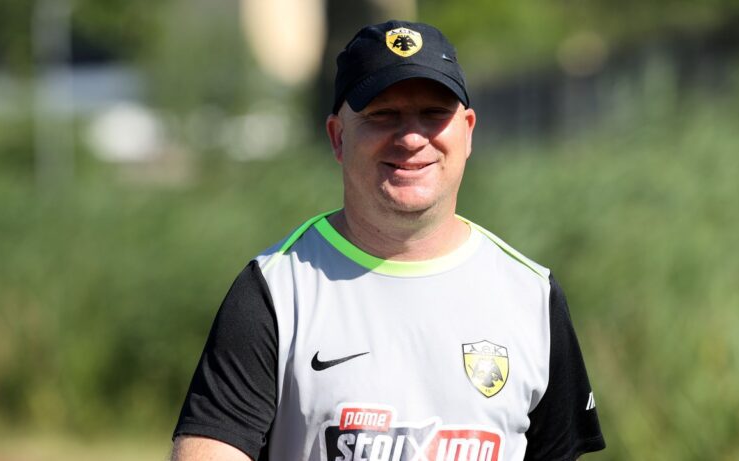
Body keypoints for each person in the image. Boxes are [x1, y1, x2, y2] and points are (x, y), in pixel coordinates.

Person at [171, 20, 605, 461]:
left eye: (434, 114)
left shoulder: (532, 296)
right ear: (338, 137)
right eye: (383, 115)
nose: (412, 138)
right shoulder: (277, 291)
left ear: (468, 131)